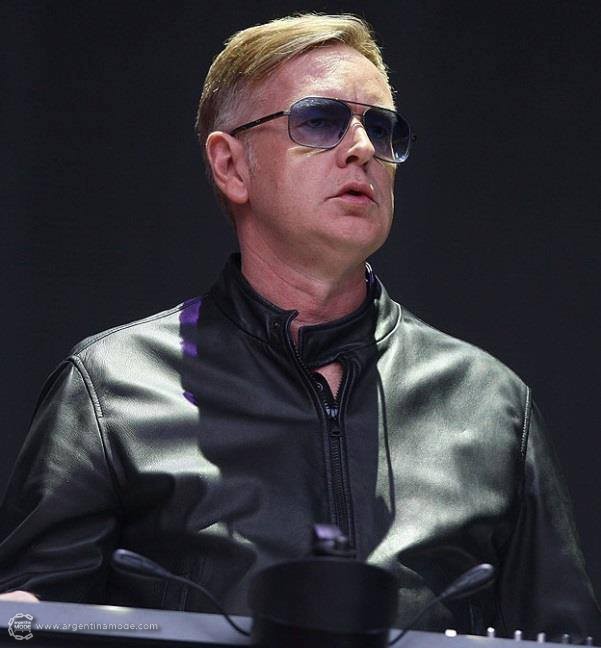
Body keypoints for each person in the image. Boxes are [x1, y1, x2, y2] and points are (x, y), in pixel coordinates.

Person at [1, 13, 599, 640]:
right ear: (232, 166)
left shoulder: (489, 403)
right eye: (320, 120)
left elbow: (564, 639)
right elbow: (29, 623)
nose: (363, 148)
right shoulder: (111, 390)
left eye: (381, 128)